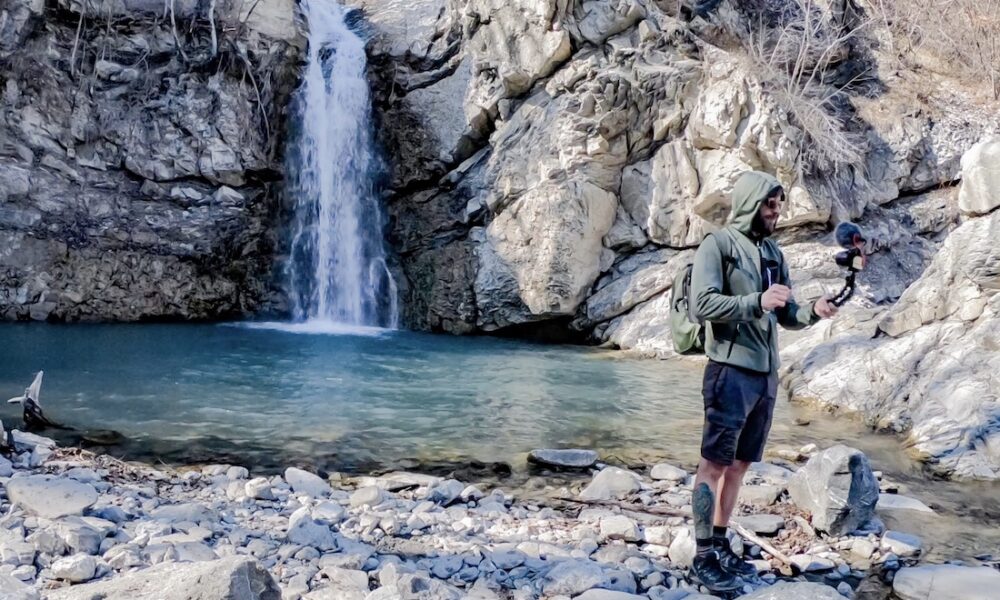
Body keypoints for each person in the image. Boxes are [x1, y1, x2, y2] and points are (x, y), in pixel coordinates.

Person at [687, 171, 838, 592]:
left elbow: (786, 314)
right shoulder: (716, 245)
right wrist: (756, 301)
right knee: (714, 464)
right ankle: (701, 557)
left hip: (765, 376)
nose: (776, 212)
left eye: (779, 205)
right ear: (751, 203)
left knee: (740, 464)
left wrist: (813, 310)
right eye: (770, 205)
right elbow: (702, 303)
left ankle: (720, 544)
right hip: (729, 371)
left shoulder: (772, 251)